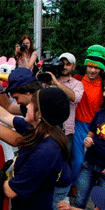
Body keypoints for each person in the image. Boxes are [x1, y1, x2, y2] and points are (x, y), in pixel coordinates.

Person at [0, 85, 70, 209]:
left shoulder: (45, 153)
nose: (27, 106)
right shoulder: (41, 129)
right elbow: (6, 116)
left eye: (32, 104)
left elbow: (9, 190)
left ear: (40, 114)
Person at [44, 53, 84, 207]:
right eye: (62, 63)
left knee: (64, 164)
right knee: (48, 162)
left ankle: (63, 194)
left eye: (68, 64)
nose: (65, 66)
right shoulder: (49, 80)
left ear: (74, 66)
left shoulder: (76, 84)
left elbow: (75, 97)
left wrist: (56, 83)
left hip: (66, 132)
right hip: (48, 129)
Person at [72, 45, 105, 193]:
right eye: (90, 66)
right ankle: (74, 187)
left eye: (96, 68)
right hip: (79, 125)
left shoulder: (103, 84)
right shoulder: (77, 80)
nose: (92, 71)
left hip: (98, 128)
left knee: (95, 160)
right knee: (79, 160)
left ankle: (92, 190)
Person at [71, 81, 105, 208]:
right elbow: (91, 132)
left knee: (100, 206)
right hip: (89, 164)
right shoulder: (100, 113)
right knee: (79, 201)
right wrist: (88, 139)